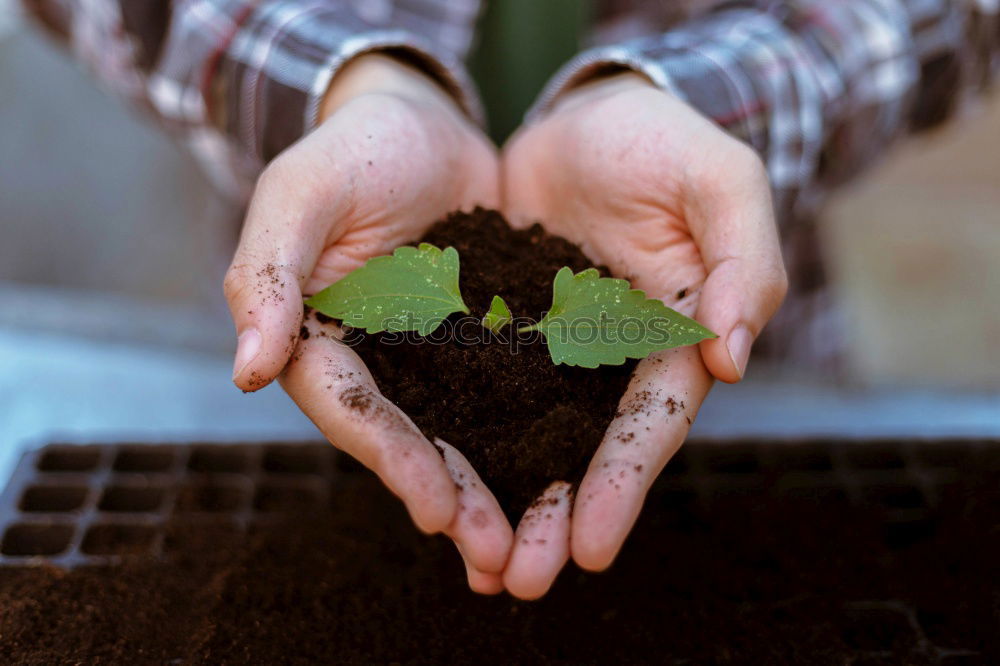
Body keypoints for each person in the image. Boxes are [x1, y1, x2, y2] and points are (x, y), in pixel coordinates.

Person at [23, 0, 997, 600]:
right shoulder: (380, 294)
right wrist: (358, 89)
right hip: (311, 401)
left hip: (735, 383)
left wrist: (705, 95)